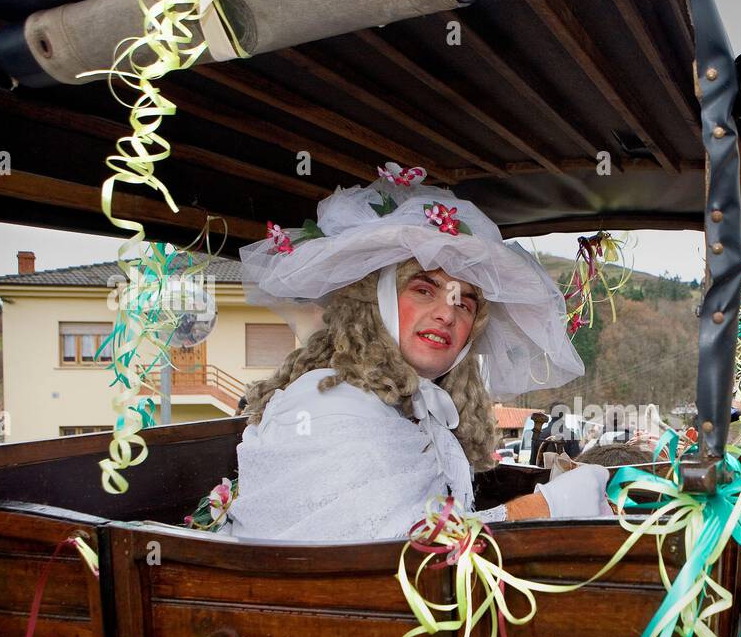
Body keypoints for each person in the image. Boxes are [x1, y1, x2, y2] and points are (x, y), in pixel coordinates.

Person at [224, 168, 610, 541]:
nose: (447, 313)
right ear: (376, 302)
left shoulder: (414, 407)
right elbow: (399, 554)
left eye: (465, 303)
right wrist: (546, 507)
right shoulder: (327, 402)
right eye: (424, 290)